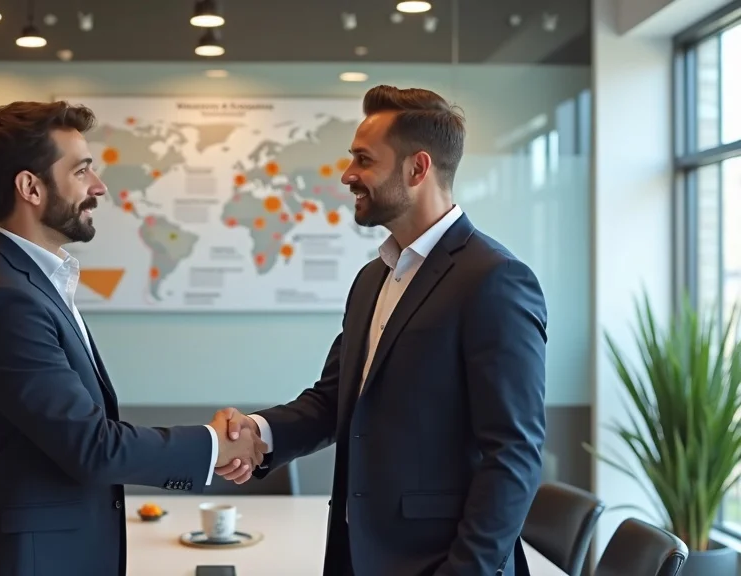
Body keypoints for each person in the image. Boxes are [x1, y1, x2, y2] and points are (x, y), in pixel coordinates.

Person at [214, 86, 547, 576]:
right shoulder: (373, 278)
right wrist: (259, 432)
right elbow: (334, 401)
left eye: (364, 160)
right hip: (357, 556)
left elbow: (514, 454)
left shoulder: (494, 279)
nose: (347, 174)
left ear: (417, 168)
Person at [0, 100, 266, 576]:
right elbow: (92, 447)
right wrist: (215, 444)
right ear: (30, 187)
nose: (98, 186)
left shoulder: (28, 282)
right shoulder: (2, 300)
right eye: (81, 171)